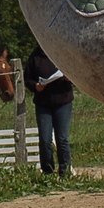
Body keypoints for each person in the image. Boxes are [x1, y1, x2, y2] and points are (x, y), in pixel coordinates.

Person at [25, 45, 74, 176]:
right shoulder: (34, 57)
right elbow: (28, 79)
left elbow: (75, 73)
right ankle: (47, 171)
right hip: (43, 103)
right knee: (45, 138)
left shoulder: (61, 54)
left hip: (62, 100)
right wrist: (35, 86)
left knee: (62, 137)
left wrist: (69, 78)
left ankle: (65, 169)